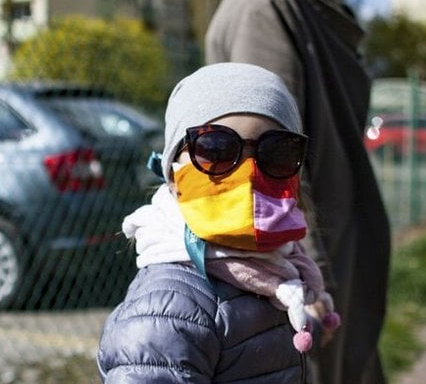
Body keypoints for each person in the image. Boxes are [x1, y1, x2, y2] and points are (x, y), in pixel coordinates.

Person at [204, 0, 390, 384]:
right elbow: (267, 163)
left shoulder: (310, 3)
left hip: (326, 260)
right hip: (303, 278)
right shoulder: (268, 3)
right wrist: (310, 283)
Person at [98, 62, 341, 383]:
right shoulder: (167, 313)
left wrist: (306, 317)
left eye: (277, 152)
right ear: (172, 170)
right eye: (215, 147)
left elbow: (253, 338)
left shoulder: (274, 270)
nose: (249, 173)